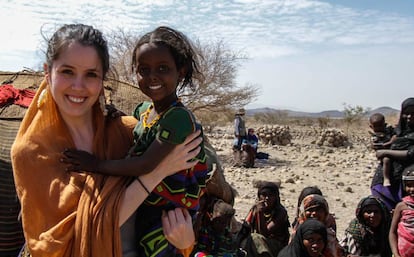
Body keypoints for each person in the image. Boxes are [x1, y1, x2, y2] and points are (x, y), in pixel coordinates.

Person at [10, 24, 202, 257]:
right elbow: (55, 243)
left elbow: (200, 191)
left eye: (91, 74)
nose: (78, 86)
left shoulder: (124, 131)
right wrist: (156, 174)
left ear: (102, 79)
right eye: (67, 72)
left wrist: (186, 243)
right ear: (47, 72)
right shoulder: (32, 152)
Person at [62, 26, 208, 257]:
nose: (152, 76)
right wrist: (113, 115)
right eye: (143, 70)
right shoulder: (146, 110)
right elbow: (136, 122)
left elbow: (145, 165)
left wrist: (94, 164)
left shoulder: (178, 118)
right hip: (151, 203)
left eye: (163, 68)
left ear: (180, 72)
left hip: (169, 211)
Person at [371, 97, 414, 212]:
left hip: (408, 183)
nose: (409, 117)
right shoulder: (398, 131)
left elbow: (411, 154)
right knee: (382, 214)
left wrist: (385, 152)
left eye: (413, 113)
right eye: (406, 113)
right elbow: (386, 141)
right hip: (384, 182)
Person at [240, 182, 290, 257]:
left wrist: (260, 212)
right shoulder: (255, 208)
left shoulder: (281, 212)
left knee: (255, 237)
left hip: (277, 245)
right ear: (259, 197)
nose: (267, 198)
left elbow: (265, 233)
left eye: (270, 195)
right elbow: (246, 225)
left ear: (276, 197)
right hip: (258, 242)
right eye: (264, 195)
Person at [389, 165, 414, 257]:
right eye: (409, 185)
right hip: (403, 253)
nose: (412, 189)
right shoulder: (401, 206)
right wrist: (395, 253)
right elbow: (392, 232)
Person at [368, 113, 396, 186]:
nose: (378, 128)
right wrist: (386, 144)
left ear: (385, 124)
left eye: (380, 125)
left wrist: (391, 141)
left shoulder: (389, 130)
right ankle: (386, 178)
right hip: (384, 154)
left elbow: (395, 135)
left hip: (393, 151)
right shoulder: (375, 136)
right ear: (371, 127)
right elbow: (375, 146)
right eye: (375, 126)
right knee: (386, 160)